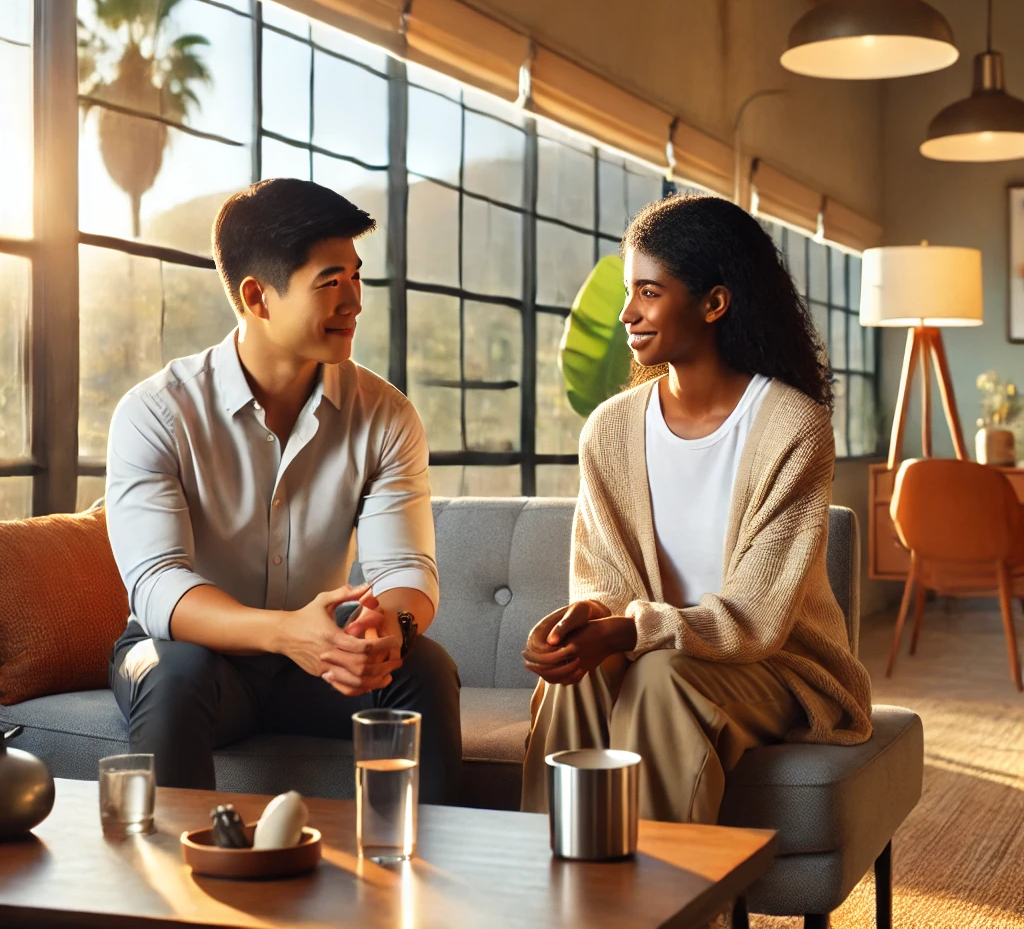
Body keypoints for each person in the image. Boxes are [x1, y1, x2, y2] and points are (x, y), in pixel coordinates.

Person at [106, 178, 461, 802]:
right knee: (176, 669)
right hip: (188, 658)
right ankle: (169, 890)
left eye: (356, 276)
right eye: (330, 281)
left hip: (322, 657)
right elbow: (157, 582)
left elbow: (405, 566)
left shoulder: (387, 416)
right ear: (256, 297)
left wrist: (390, 628)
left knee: (424, 664)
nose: (354, 300)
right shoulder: (156, 413)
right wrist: (282, 632)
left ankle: (423, 875)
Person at [521, 193, 872, 823]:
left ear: (714, 302)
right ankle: (551, 900)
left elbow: (757, 616)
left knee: (664, 677)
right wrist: (582, 625)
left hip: (773, 665)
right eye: (629, 292)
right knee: (574, 677)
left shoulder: (792, 426)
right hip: (662, 652)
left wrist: (629, 630)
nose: (627, 313)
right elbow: (605, 581)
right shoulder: (609, 429)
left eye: (649, 292)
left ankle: (658, 912)